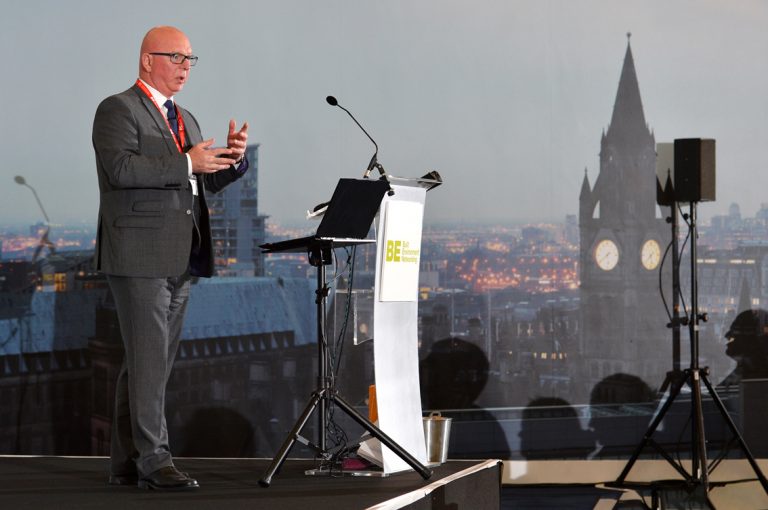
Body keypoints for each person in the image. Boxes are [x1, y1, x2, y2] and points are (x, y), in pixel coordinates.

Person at [92, 25, 249, 491]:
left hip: (182, 256)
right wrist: (186, 163)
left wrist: (232, 162)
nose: (185, 67)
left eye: (190, 60)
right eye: (176, 57)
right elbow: (120, 170)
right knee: (149, 361)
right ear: (147, 60)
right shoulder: (117, 109)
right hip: (138, 255)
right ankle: (155, 461)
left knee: (147, 362)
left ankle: (126, 462)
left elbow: (199, 182)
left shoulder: (188, 118)